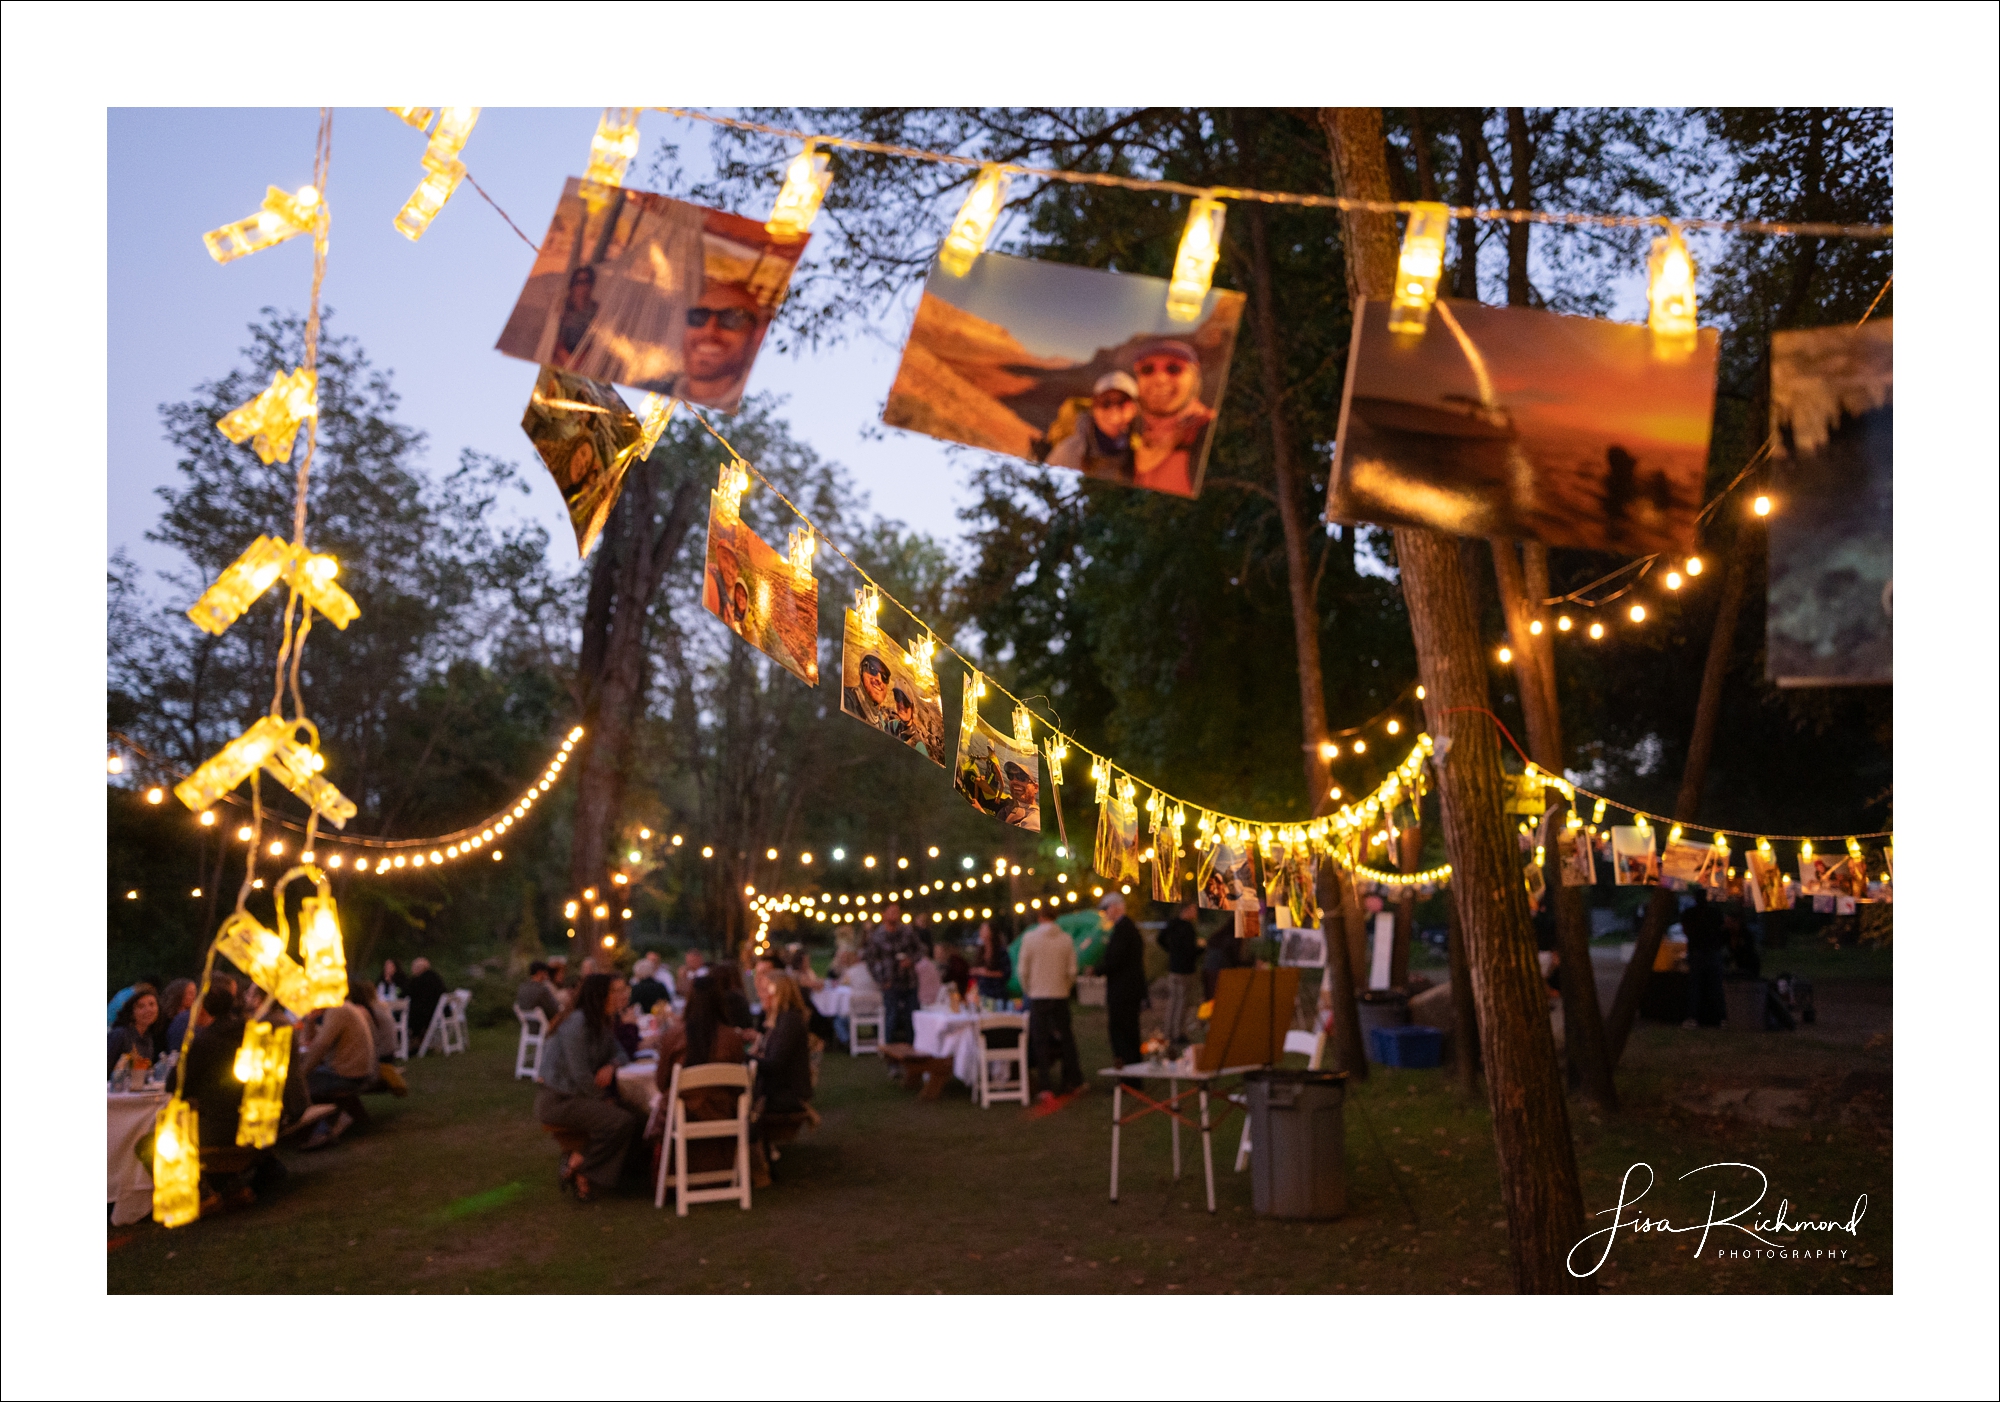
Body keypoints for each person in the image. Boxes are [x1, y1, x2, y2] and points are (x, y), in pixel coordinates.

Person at [533, 973, 635, 1202]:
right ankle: (582, 1167)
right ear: (600, 995)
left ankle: (588, 1166)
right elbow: (579, 1075)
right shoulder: (576, 1024)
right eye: (614, 992)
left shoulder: (600, 1021)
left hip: (579, 1096)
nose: (620, 996)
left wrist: (611, 1064)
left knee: (634, 1113)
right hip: (559, 1099)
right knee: (620, 1121)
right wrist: (602, 1099)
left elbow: (621, 1053)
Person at [654, 973, 750, 1182]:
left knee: (659, 1104)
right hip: (722, 1112)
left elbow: (661, 1083)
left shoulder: (674, 1035)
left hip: (685, 1114)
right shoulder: (732, 1038)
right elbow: (739, 1087)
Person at [749, 968, 815, 1188]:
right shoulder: (779, 1020)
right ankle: (757, 1161)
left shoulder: (789, 1022)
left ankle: (758, 1166)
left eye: (768, 991)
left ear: (781, 993)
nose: (763, 995)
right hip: (779, 1087)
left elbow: (774, 1065)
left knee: (744, 1107)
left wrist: (744, 1058)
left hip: (788, 1093)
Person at [297, 981, 381, 1148]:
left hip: (348, 1075)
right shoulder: (342, 1008)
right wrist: (310, 1020)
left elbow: (320, 1048)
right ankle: (337, 1118)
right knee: (305, 1079)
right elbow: (311, 1041)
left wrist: (299, 1075)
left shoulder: (338, 1011)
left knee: (295, 1086)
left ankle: (322, 1130)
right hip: (360, 1072)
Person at [1128, 339, 1215, 497]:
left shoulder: (1207, 431)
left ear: (1195, 377)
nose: (1160, 379)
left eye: (1174, 368)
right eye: (1147, 369)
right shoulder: (1130, 431)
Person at [1017, 909, 1082, 1099]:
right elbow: (1072, 970)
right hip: (1060, 993)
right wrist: (1065, 987)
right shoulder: (1066, 939)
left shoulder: (1030, 938)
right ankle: (1072, 1080)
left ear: (1040, 918)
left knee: (1040, 1040)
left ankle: (1045, 1086)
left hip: (1038, 995)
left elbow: (1022, 970)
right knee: (1066, 1039)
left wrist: (1029, 989)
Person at [679, 280, 767, 406]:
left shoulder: (752, 404)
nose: (709, 331)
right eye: (698, 316)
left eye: (732, 318)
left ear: (756, 338)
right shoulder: (652, 387)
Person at [1046, 371, 1140, 482]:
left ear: (1134, 410)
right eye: (1105, 403)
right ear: (1094, 408)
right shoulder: (1068, 453)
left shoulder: (1141, 458)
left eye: (1123, 403)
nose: (1114, 411)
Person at [1097, 895, 1147, 1073]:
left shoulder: (1123, 930)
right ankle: (1133, 1072)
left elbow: (1116, 959)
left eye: (1106, 909)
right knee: (1129, 1032)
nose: (1105, 914)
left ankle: (1128, 1074)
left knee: (1123, 1033)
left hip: (1123, 991)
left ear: (1115, 907)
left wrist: (1097, 970)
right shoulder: (1127, 928)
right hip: (1128, 990)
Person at [865, 904, 926, 1044]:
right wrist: (880, 979)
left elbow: (920, 950)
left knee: (912, 1016)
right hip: (890, 982)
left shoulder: (907, 932)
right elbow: (871, 961)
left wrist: (910, 960)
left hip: (909, 981)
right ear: (884, 914)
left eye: (897, 912)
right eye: (891, 912)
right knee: (891, 1016)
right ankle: (890, 1050)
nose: (895, 915)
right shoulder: (877, 936)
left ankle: (913, 1047)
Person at [1681, 888, 1728, 1028]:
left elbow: (1686, 930)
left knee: (1696, 987)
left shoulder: (1690, 914)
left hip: (1699, 953)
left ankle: (1693, 1017)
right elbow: (1723, 929)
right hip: (1711, 952)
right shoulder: (1714, 913)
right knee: (1716, 987)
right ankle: (1721, 1018)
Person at [1157, 903, 1202, 1047]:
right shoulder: (1187, 928)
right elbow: (1190, 950)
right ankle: (1177, 1033)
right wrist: (1200, 948)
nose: (1195, 913)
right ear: (1186, 910)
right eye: (1193, 910)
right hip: (1185, 970)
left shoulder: (1172, 924)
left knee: (1173, 1001)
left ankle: (1168, 1032)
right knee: (1182, 1002)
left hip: (1173, 968)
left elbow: (1160, 938)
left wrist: (1171, 951)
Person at [550, 265, 600, 370]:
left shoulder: (595, 310)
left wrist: (578, 360)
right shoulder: (564, 307)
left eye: (587, 281)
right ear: (572, 285)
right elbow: (557, 340)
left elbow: (593, 340)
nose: (583, 286)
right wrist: (569, 360)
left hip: (585, 355)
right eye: (579, 282)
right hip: (563, 353)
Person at [108, 983, 161, 1079]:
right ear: (132, 1013)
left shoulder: (147, 1037)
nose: (148, 1010)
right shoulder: (120, 1034)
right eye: (141, 1006)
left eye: (152, 1004)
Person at [405, 957, 446, 1054]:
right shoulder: (434, 977)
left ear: (419, 968)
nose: (412, 970)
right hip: (439, 1012)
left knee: (408, 1016)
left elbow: (408, 993)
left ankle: (412, 1044)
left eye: (413, 967)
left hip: (428, 1013)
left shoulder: (420, 980)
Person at [971, 919, 1013, 1003]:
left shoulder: (1001, 952)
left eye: (984, 929)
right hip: (983, 994)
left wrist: (987, 973)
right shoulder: (980, 951)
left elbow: (1006, 973)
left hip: (997, 994)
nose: (981, 932)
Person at [1201, 917, 1241, 1001]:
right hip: (1219, 973)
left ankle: (1207, 1014)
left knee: (1210, 1000)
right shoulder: (1232, 939)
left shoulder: (1219, 936)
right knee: (1219, 1001)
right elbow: (1234, 959)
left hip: (1208, 970)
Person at [1000, 760, 1040, 829]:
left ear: (1035, 788)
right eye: (1011, 776)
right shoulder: (1007, 808)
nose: (1014, 781)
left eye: (1021, 777)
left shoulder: (1034, 819)